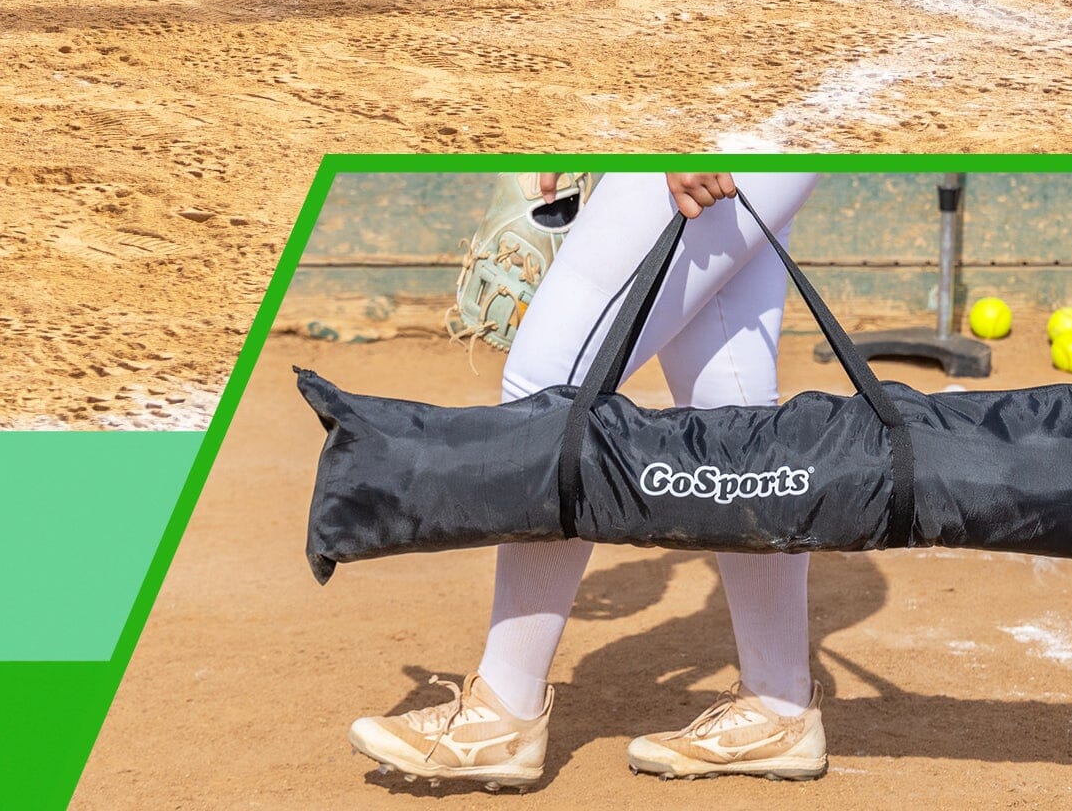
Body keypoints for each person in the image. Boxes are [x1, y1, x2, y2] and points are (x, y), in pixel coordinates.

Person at [348, 170, 826, 785]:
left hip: (720, 135)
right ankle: (780, 708)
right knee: (730, 416)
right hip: (750, 135)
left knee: (553, 392)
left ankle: (503, 713)